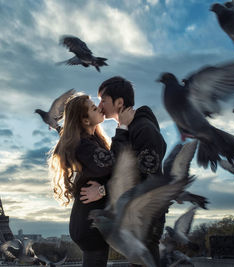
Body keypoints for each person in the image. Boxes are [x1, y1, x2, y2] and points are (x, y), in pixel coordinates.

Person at [81, 76, 167, 266]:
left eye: (103, 100)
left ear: (119, 102)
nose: (100, 105)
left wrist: (103, 190)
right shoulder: (131, 128)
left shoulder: (143, 129)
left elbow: (143, 177)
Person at [48, 93, 133, 267]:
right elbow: (112, 164)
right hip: (89, 223)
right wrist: (122, 126)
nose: (100, 108)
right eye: (94, 108)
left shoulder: (92, 141)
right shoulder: (83, 145)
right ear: (85, 121)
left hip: (92, 219)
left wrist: (102, 190)